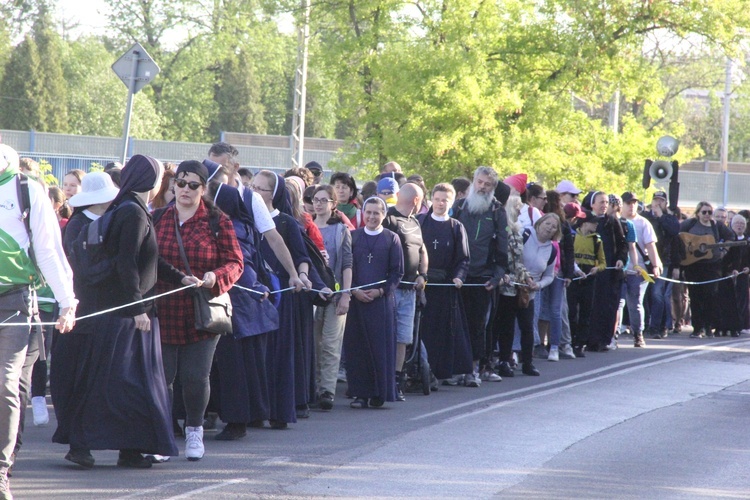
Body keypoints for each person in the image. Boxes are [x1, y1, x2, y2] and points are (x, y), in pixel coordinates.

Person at [53, 155, 182, 470]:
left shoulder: (128, 210)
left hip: (126, 311)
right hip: (128, 314)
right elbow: (126, 263)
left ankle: (129, 446)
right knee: (121, 384)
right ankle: (99, 445)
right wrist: (137, 307)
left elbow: (144, 261)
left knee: (125, 384)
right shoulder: (133, 213)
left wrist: (181, 278)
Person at [0, 145, 77, 499]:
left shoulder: (25, 189)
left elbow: (49, 249)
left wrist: (67, 302)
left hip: (14, 300)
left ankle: (1, 471)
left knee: (5, 383)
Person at [154, 160, 244, 461]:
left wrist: (214, 277)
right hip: (164, 307)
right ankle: (163, 436)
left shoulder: (218, 221)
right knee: (162, 377)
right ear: (173, 185)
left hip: (202, 311)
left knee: (195, 378)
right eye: (181, 183)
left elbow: (236, 262)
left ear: (203, 189)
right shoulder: (158, 218)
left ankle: (194, 430)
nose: (185, 190)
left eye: (193, 184)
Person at [50, 172, 120, 468]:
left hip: (97, 313)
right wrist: (117, 265)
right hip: (78, 313)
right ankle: (77, 443)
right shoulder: (78, 226)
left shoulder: (103, 223)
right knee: (75, 379)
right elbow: (83, 269)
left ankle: (83, 441)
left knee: (91, 381)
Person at [210, 182, 278, 440]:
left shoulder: (232, 229)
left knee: (233, 367)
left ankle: (236, 421)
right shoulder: (243, 225)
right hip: (247, 306)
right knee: (246, 365)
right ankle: (249, 415)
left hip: (237, 304)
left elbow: (241, 267)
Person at [344, 197, 404, 408]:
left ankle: (380, 393)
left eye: (376, 213)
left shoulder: (392, 239)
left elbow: (397, 272)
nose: (371, 217)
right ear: (363, 214)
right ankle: (360, 393)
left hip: (381, 303)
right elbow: (345, 267)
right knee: (358, 348)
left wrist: (380, 291)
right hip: (357, 301)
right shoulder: (352, 237)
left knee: (381, 348)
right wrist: (355, 291)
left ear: (384, 214)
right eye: (368, 212)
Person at [452, 166, 509, 387]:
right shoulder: (458, 207)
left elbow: (502, 247)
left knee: (477, 325)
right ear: (474, 181)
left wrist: (497, 276)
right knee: (458, 324)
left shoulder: (497, 211)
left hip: (483, 277)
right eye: (480, 182)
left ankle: (473, 369)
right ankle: (456, 367)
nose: (483, 187)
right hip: (459, 276)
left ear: (493, 187)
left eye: (487, 184)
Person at [417, 183, 472, 383]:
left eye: (445, 200)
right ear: (432, 199)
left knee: (443, 330)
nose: (440, 204)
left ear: (451, 203)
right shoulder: (420, 222)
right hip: (422, 285)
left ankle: (442, 371)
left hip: (446, 288)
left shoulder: (456, 227)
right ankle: (420, 369)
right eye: (438, 199)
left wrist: (459, 277)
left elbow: (464, 258)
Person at [382, 183, 428, 400]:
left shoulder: (415, 222)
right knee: (386, 335)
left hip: (410, 290)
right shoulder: (389, 220)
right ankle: (383, 378)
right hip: (391, 290)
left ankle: (397, 380)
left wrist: (423, 275)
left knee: (402, 338)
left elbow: (422, 251)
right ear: (417, 201)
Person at [311, 185, 353, 410]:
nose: (318, 204)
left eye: (324, 200)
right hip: (312, 296)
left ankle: (327, 390)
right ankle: (313, 388)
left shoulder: (340, 230)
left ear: (333, 204)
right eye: (315, 199)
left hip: (335, 294)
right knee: (313, 343)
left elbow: (347, 264)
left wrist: (345, 294)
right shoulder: (305, 227)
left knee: (330, 344)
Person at [582, 191, 628, 352]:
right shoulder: (585, 220)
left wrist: (621, 259)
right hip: (589, 271)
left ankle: (603, 339)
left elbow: (623, 244)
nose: (604, 205)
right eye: (601, 202)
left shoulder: (612, 222)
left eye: (606, 202)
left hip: (609, 273)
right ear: (592, 204)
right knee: (590, 306)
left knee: (607, 306)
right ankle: (586, 338)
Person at [680, 201, 733, 338]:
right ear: (698, 213)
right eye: (704, 212)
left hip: (712, 266)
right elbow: (678, 236)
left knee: (710, 295)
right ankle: (697, 328)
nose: (707, 215)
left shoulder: (717, 226)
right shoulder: (690, 224)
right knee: (695, 296)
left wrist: (724, 250)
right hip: (693, 265)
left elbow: (730, 237)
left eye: (710, 212)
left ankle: (708, 326)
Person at [620, 192, 662, 348]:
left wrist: (656, 265)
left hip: (638, 270)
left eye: (634, 203)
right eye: (628, 203)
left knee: (635, 303)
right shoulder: (617, 221)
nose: (632, 206)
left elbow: (651, 245)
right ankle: (613, 334)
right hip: (620, 269)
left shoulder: (643, 223)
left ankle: (638, 333)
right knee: (618, 303)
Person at [641, 191, 680, 339]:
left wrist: (661, 216)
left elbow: (675, 232)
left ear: (665, 203)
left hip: (663, 262)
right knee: (645, 295)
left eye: (661, 201)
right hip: (645, 261)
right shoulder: (645, 217)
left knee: (658, 293)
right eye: (655, 200)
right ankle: (644, 324)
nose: (658, 203)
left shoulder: (669, 219)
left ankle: (657, 326)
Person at [567, 209, 606, 357]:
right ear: (585, 222)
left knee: (585, 311)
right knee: (571, 311)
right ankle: (570, 340)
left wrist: (597, 268)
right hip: (575, 276)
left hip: (589, 277)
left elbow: (603, 262)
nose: (596, 225)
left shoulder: (597, 240)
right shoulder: (572, 236)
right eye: (593, 222)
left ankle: (580, 343)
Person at [718, 215, 749, 337]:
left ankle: (742, 324)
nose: (739, 225)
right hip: (727, 274)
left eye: (742, 223)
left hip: (742, 274)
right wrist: (730, 270)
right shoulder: (727, 238)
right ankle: (725, 326)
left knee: (742, 301)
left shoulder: (747, 240)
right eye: (737, 223)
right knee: (727, 301)